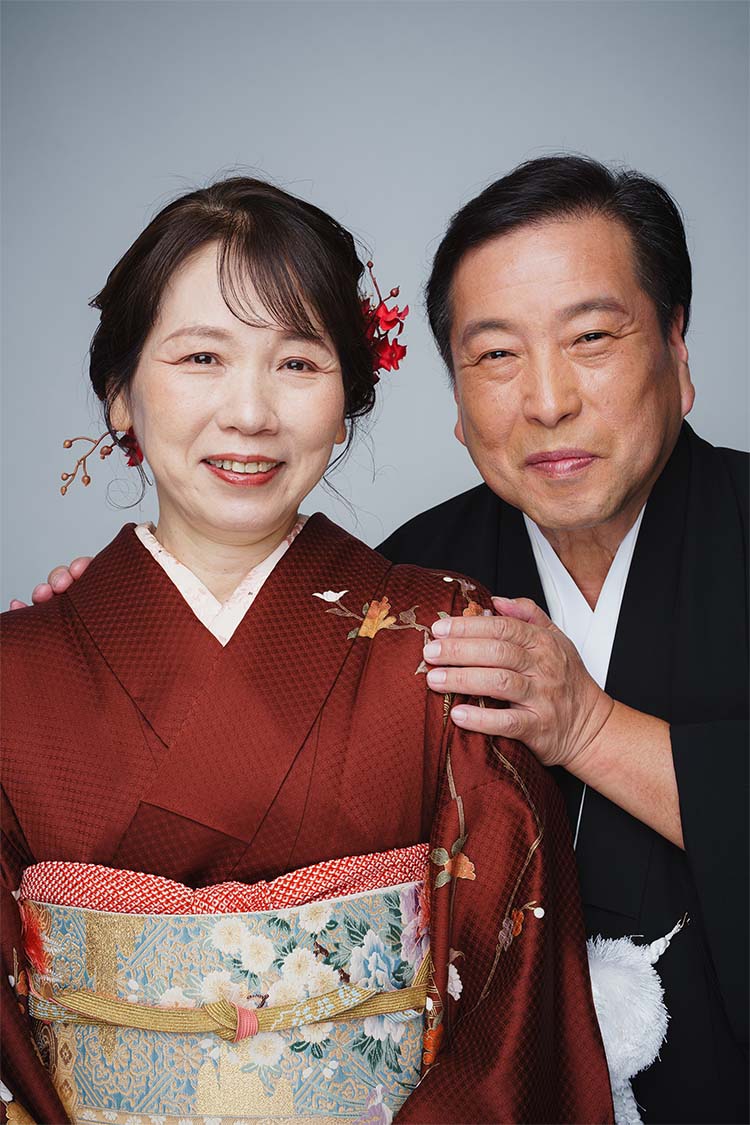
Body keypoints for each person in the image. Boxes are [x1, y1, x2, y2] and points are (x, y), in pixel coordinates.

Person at [0, 177, 613, 1124]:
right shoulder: (18, 673)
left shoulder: (440, 639)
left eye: (296, 362)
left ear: (347, 397)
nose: (250, 413)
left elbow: (511, 996)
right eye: (201, 356)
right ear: (120, 392)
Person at [379, 156, 749, 1124]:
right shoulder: (405, 584)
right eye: (496, 355)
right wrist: (132, 594)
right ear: (457, 400)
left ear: (675, 345)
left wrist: (585, 726)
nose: (547, 401)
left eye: (590, 338)